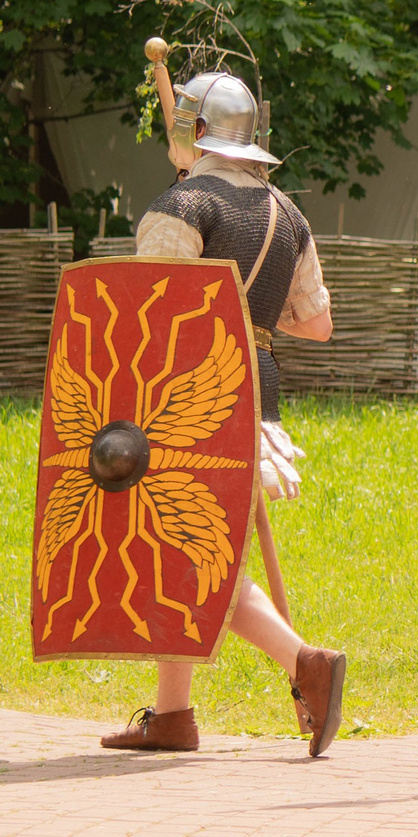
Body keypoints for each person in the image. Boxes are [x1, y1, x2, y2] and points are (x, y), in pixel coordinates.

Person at [105, 69, 349, 757]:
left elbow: (152, 319)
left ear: (192, 132)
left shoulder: (181, 207)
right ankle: (173, 714)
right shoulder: (287, 214)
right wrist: (252, 314)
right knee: (188, 543)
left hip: (188, 393)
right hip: (259, 390)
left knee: (189, 554)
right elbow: (319, 323)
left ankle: (306, 661)